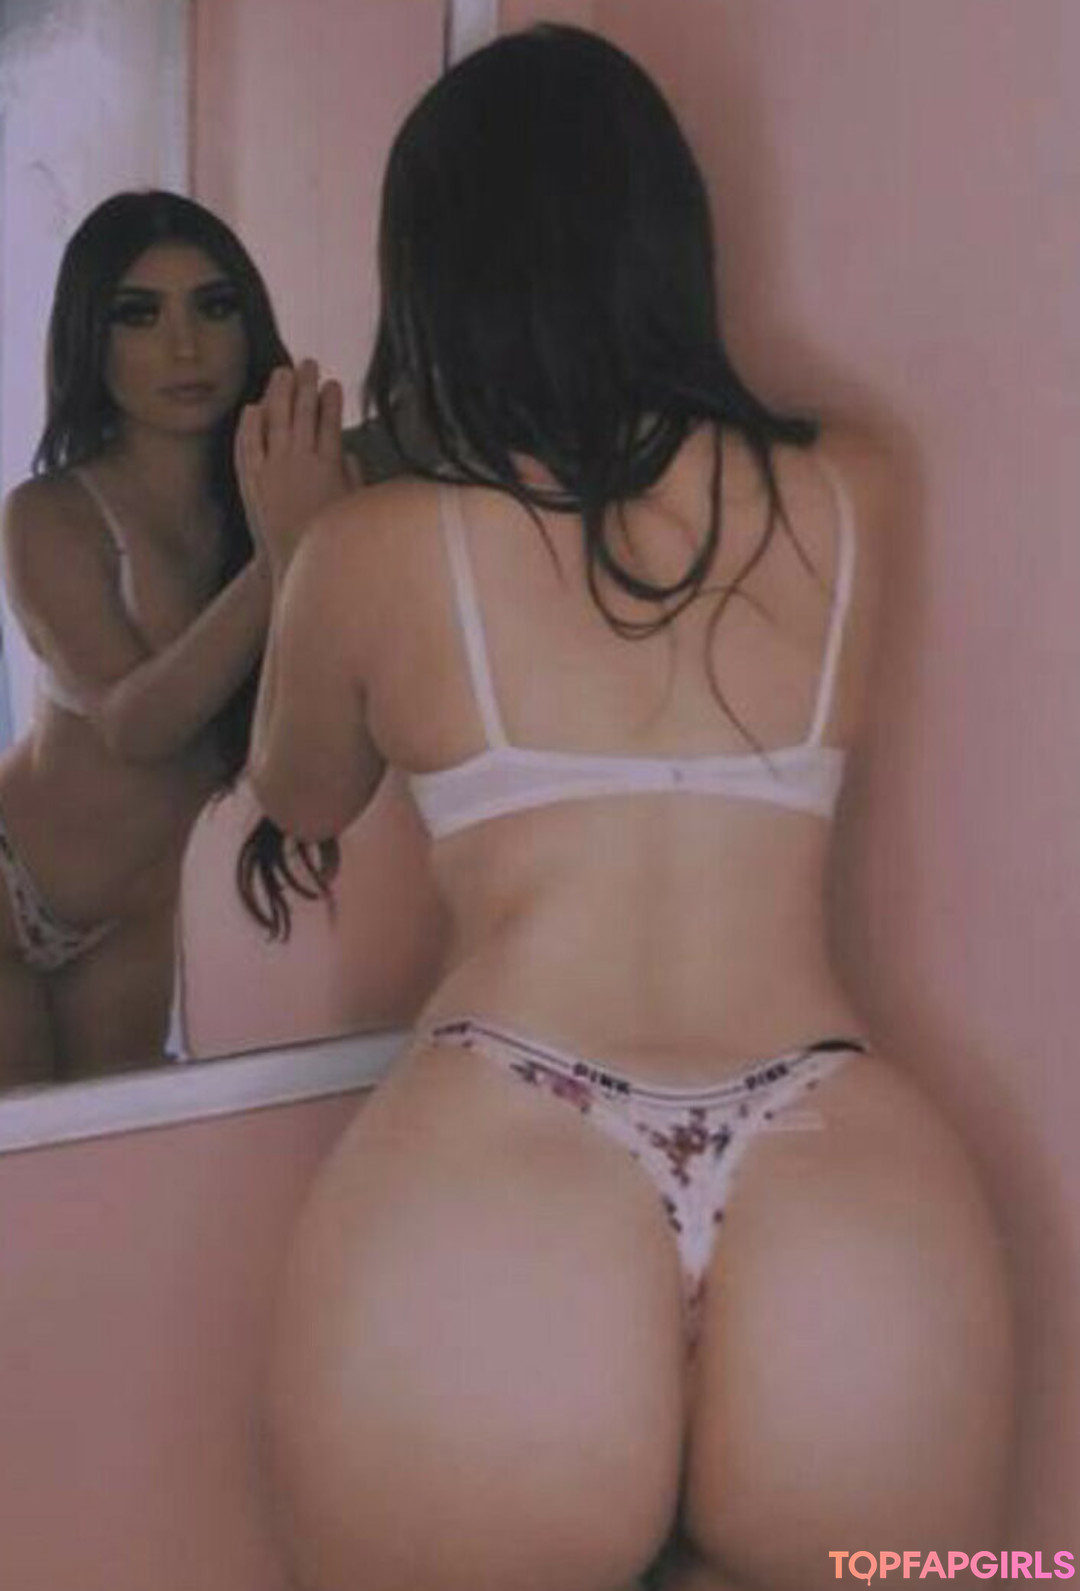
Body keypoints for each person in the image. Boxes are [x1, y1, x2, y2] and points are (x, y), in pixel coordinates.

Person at [242, 27, 1015, 1591]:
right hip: (845, 1170)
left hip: (505, 1148)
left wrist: (293, 548)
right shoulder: (857, 486)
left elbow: (302, 792)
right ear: (666, 237)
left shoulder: (373, 549)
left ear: (434, 271)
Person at [0, 190, 336, 1086]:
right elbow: (133, 723)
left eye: (214, 307)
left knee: (109, 1143)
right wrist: (280, 557)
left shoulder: (289, 485)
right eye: (139, 314)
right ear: (90, 337)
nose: (186, 348)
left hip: (142, 909)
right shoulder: (50, 513)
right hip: (11, 878)